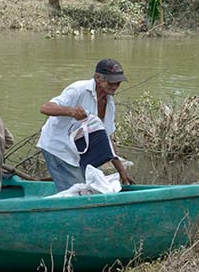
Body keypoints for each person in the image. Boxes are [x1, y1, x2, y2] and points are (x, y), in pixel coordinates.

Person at [37, 59, 133, 192]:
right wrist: (70, 111)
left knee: (89, 187)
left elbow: (107, 138)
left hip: (78, 151)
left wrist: (121, 170)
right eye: (111, 81)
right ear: (97, 78)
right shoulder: (79, 89)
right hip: (57, 147)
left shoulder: (109, 104)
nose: (115, 86)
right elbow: (45, 108)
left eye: (118, 82)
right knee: (75, 193)